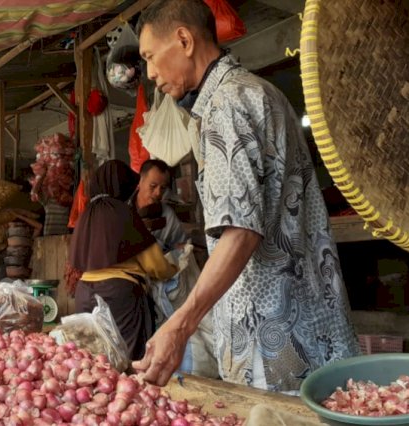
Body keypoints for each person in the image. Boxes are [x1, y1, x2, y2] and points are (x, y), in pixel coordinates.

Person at [132, 0, 360, 392]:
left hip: (275, 346)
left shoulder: (226, 106)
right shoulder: (261, 92)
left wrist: (181, 324)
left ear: (184, 40)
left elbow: (240, 232)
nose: (151, 74)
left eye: (151, 57)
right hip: (315, 328)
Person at [70, 160, 177, 359]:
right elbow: (156, 266)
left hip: (84, 293)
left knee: (90, 360)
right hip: (119, 297)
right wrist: (174, 268)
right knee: (127, 361)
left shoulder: (87, 214)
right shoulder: (123, 212)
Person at [130, 159, 188, 252]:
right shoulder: (122, 208)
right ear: (140, 182)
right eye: (153, 186)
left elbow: (182, 247)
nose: (158, 193)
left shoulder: (168, 215)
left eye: (163, 188)